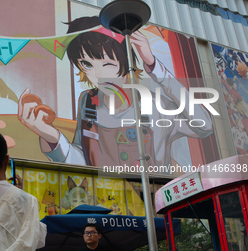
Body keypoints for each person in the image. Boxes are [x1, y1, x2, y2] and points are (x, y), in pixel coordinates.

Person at [18, 16, 212, 168]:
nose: (98, 75)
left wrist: (155, 67)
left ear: (127, 64)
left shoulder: (155, 105)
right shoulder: (87, 102)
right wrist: (50, 136)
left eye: (109, 64)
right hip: (106, 209)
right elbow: (83, 161)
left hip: (155, 213)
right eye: (87, 64)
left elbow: (204, 125)